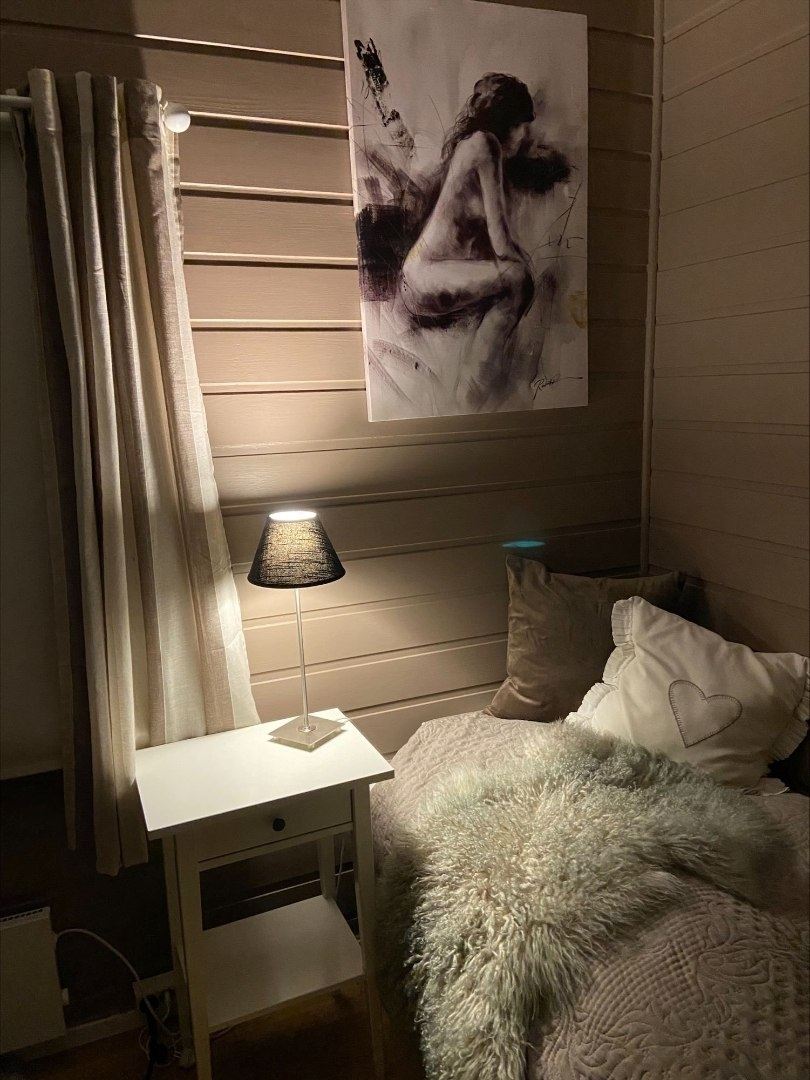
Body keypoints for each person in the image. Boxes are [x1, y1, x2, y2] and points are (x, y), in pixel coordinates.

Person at [399, 73, 539, 410]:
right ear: (504, 120)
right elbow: (502, 244)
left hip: (424, 276)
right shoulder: (483, 145)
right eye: (519, 124)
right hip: (425, 276)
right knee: (519, 280)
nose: (524, 135)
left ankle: (470, 397)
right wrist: (524, 267)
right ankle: (469, 398)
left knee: (516, 278)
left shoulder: (473, 147)